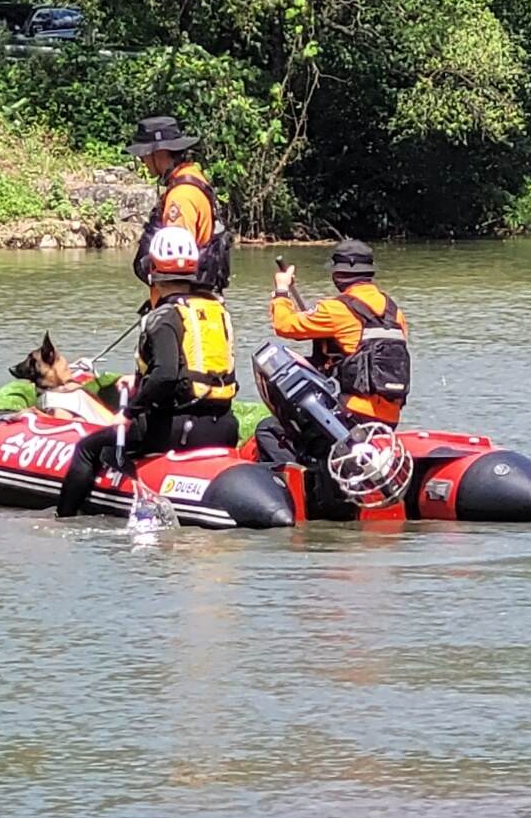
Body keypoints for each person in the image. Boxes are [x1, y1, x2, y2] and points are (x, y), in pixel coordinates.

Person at [57, 226, 240, 517]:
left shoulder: (164, 316)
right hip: (224, 427)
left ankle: (62, 520)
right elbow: (196, 364)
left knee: (88, 449)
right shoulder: (215, 309)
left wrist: (128, 413)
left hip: (176, 428)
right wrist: (141, 379)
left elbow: (167, 375)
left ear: (153, 271)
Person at [255, 239, 411, 465]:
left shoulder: (336, 309)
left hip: (351, 418)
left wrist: (281, 290)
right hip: (388, 421)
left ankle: (302, 485)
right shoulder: (395, 313)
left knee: (269, 430)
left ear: (337, 275)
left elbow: (284, 325)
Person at [128, 115, 232, 299]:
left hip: (182, 303)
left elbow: (176, 264)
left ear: (159, 153)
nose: (142, 160)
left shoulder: (181, 196)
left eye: (144, 154)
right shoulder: (191, 179)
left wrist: (170, 308)